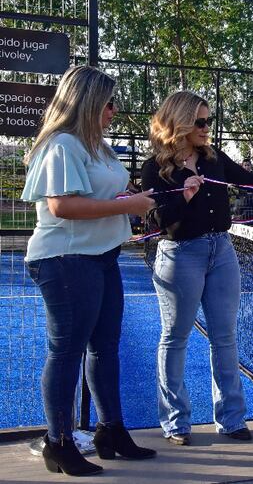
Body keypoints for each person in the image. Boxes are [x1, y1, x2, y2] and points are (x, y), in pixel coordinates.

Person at [140, 90, 253, 445]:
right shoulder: (154, 168)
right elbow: (157, 221)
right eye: (201, 122)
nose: (208, 128)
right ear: (181, 123)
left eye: (208, 121)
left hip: (221, 251)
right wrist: (185, 194)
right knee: (175, 338)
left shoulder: (213, 158)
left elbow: (250, 180)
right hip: (180, 254)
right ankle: (176, 423)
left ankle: (232, 419)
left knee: (225, 338)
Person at [21, 66, 157, 476]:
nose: (114, 110)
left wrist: (142, 197)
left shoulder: (98, 147)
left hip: (101, 255)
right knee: (66, 352)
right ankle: (58, 442)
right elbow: (63, 206)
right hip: (64, 260)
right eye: (109, 102)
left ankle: (110, 431)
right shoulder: (62, 144)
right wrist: (127, 206)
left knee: (105, 347)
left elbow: (110, 193)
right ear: (88, 102)